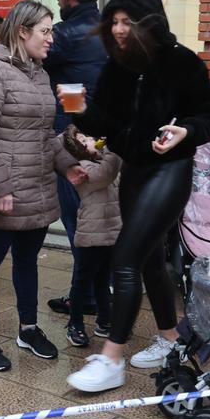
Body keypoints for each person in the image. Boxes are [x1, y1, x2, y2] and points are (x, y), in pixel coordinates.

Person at [64, 0, 210, 393]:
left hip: (169, 171)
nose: (117, 30)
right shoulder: (116, 66)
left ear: (148, 22)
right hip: (133, 171)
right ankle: (171, 340)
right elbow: (106, 124)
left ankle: (111, 357)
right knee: (150, 258)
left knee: (126, 257)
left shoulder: (182, 62)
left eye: (126, 22)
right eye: (113, 21)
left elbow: (209, 117)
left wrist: (183, 131)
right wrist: (80, 113)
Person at [0, 0, 83, 373]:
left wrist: (68, 167)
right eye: (45, 31)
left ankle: (28, 329)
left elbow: (45, 135)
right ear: (22, 32)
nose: (51, 39)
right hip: (5, 190)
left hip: (37, 187)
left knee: (27, 261)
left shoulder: (39, 72)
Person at [43, 0, 109, 320]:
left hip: (72, 137)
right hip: (105, 136)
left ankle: (84, 297)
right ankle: (101, 291)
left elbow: (28, 55)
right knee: (99, 216)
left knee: (77, 221)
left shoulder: (65, 34)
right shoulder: (111, 31)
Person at [60, 125, 120, 348]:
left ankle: (104, 320)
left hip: (111, 231)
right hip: (91, 233)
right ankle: (75, 324)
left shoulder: (102, 160)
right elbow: (106, 174)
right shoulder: (83, 168)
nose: (91, 141)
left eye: (89, 136)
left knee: (103, 280)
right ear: (77, 150)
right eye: (84, 141)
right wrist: (113, 147)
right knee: (82, 281)